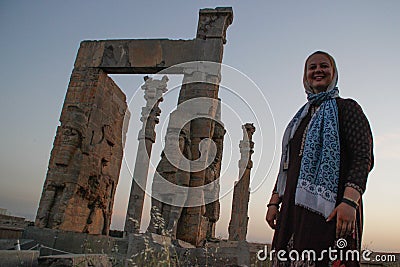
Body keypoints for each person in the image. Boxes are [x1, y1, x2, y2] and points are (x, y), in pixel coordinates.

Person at [265, 51, 374, 267]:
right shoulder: (299, 119)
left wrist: (349, 202)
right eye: (312, 67)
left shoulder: (348, 109)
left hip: (334, 210)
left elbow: (363, 157)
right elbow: (288, 164)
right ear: (305, 76)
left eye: (324, 66)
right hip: (292, 211)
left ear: (333, 73)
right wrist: (274, 201)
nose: (318, 71)